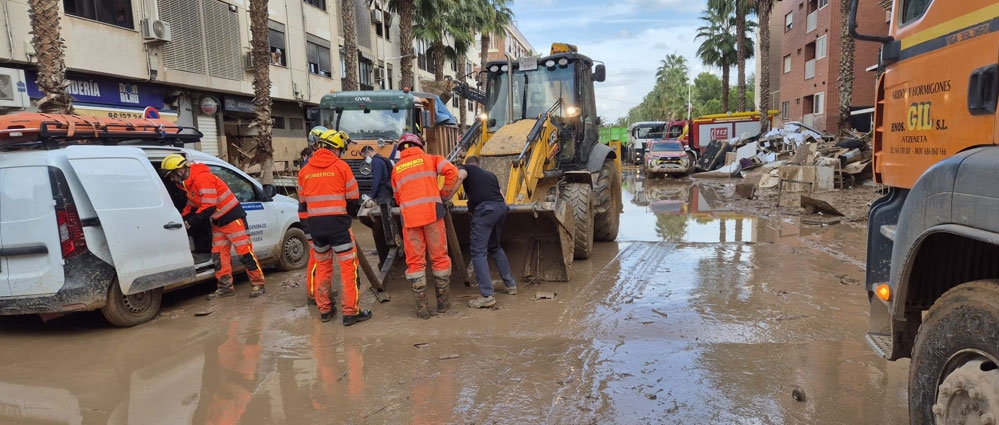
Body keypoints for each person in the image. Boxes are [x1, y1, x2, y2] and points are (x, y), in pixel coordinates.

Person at [161, 154, 265, 299]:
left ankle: (258, 284)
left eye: (171, 175)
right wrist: (180, 218)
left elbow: (209, 207)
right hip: (218, 221)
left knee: (244, 253)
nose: (172, 180)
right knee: (219, 256)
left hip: (233, 219)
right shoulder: (188, 184)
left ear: (180, 170)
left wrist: (189, 223)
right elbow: (191, 205)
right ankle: (225, 288)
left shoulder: (202, 179)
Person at [297, 130, 372, 325]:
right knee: (348, 268)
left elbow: (302, 201)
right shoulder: (341, 167)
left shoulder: (304, 171)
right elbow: (353, 198)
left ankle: (325, 310)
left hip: (316, 227)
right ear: (335, 148)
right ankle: (350, 312)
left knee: (322, 267)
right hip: (338, 225)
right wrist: (346, 216)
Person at [391, 133, 459, 319]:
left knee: (415, 263)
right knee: (439, 258)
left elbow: (397, 197)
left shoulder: (396, 169)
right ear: (419, 145)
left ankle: (422, 309)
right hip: (432, 214)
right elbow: (452, 172)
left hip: (410, 219)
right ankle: (443, 304)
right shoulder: (432, 159)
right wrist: (442, 194)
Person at [457, 156, 517, 308]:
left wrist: (446, 197)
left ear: (470, 165)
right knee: (495, 247)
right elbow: (502, 197)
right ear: (479, 164)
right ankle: (511, 285)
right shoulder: (490, 175)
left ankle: (487, 296)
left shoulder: (465, 168)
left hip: (485, 211)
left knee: (478, 252)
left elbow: (460, 176)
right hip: (500, 209)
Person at [301, 126, 328, 305]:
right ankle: (313, 293)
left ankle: (317, 292)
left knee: (319, 256)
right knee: (316, 256)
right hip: (311, 216)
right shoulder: (310, 164)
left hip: (315, 215)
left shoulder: (310, 163)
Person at [360, 145, 397, 246]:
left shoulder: (376, 162)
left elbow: (377, 180)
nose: (365, 159)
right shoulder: (382, 159)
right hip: (387, 191)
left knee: (383, 219)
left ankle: (387, 244)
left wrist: (371, 195)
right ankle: (392, 241)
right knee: (387, 217)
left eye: (364, 157)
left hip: (382, 193)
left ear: (368, 153)